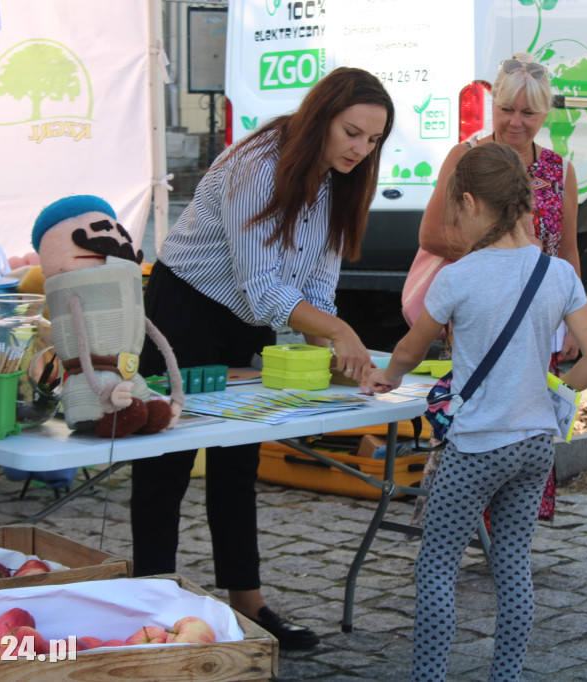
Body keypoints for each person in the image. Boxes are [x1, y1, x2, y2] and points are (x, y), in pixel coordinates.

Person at [131, 67, 394, 649]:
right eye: (353, 132)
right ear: (321, 115)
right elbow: (264, 288)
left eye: (373, 140)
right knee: (164, 466)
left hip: (241, 320)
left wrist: (338, 354)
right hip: (184, 306)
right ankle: (149, 606)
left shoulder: (334, 179)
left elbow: (315, 289)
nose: (361, 149)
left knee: (237, 460)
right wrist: (340, 332)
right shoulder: (257, 164)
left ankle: (248, 605)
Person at [363, 143, 587, 681]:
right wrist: (554, 395)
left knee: (436, 569)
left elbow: (410, 348)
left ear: (471, 203)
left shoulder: (458, 277)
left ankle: (430, 677)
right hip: (534, 447)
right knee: (513, 565)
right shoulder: (559, 275)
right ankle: (507, 676)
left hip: (474, 447)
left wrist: (390, 377)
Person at [419, 51, 581, 520]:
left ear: (545, 113)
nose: (516, 121)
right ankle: (458, 523)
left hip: (539, 322)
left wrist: (574, 323)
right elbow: (432, 235)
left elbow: (568, 251)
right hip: (477, 318)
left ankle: (512, 531)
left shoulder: (560, 171)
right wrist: (493, 263)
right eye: (507, 109)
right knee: (472, 423)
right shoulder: (466, 157)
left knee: (525, 429)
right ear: (493, 106)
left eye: (528, 112)